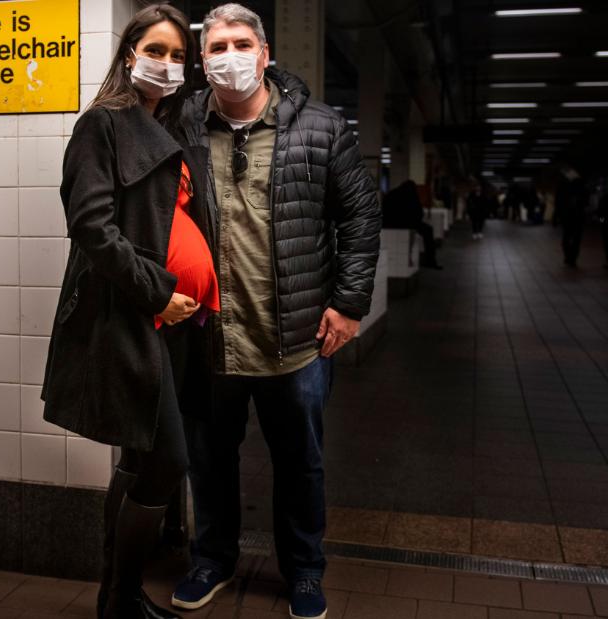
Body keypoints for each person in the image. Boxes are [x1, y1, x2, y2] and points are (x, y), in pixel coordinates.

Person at [172, 5, 381, 619]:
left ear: (265, 54)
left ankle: (305, 571)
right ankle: (212, 559)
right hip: (212, 336)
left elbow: (361, 215)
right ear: (203, 59)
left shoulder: (320, 127)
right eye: (215, 47)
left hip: (295, 340)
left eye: (241, 44)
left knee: (301, 463)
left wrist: (348, 304)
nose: (228, 56)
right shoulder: (180, 128)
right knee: (210, 459)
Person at [40, 5, 217, 619]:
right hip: (133, 315)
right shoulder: (102, 125)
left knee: (143, 455)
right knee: (167, 457)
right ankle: (119, 594)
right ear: (129, 53)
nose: (167, 65)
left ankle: (117, 600)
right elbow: (91, 225)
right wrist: (156, 291)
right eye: (156, 51)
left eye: (177, 56)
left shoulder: (168, 129)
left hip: (176, 322)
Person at [382, 180, 441, 269]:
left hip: (388, 224)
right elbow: (419, 214)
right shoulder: (411, 194)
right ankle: (430, 260)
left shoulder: (391, 194)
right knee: (428, 230)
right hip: (408, 224)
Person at [557, 168, 589, 267]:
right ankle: (572, 258)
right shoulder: (582, 188)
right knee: (576, 239)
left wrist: (558, 216)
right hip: (578, 217)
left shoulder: (563, 188)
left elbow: (558, 203)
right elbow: (586, 203)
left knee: (566, 238)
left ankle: (568, 257)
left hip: (567, 216)